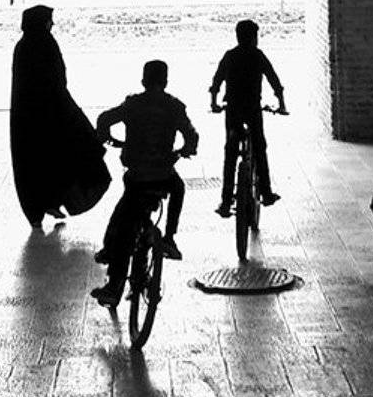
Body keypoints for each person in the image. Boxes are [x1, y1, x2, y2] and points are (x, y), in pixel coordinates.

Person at [91, 59, 199, 307]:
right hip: (163, 174)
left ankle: (114, 283)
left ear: (143, 81)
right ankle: (169, 237)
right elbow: (191, 135)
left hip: (138, 176)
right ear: (166, 82)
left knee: (122, 222)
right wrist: (185, 150)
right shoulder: (174, 106)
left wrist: (106, 138)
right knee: (178, 188)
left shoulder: (133, 104)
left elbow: (104, 119)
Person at [9, 5, 111, 229]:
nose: (52, 24)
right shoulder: (46, 44)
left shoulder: (23, 46)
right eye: (49, 20)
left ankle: (40, 209)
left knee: (33, 163)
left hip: (27, 118)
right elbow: (57, 80)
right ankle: (52, 202)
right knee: (59, 158)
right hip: (52, 113)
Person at [209, 19, 287, 216]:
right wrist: (281, 104)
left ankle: (226, 201)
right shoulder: (258, 56)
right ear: (253, 38)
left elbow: (217, 81)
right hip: (252, 109)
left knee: (230, 153)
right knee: (259, 147)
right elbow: (273, 79)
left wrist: (214, 103)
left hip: (233, 109)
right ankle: (266, 193)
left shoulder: (230, 56)